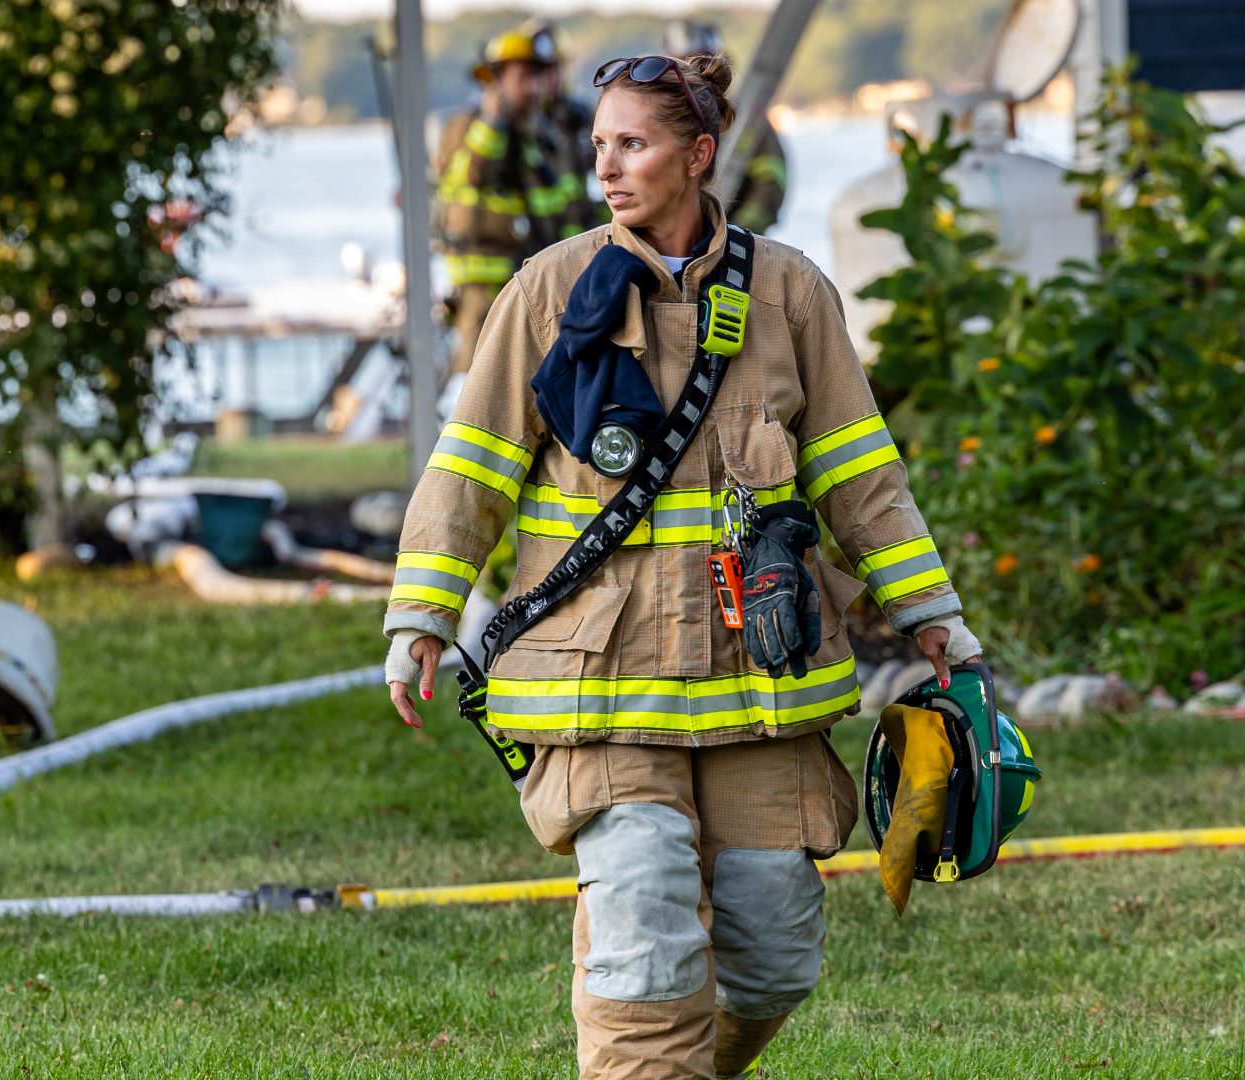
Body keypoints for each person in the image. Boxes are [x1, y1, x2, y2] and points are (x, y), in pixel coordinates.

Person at [387, 51, 982, 1080]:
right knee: (648, 956)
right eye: (600, 145)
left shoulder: (791, 294)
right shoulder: (548, 292)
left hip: (758, 679)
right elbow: (469, 467)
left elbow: (859, 474)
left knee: (773, 955)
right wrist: (420, 618)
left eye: (634, 144)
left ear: (698, 156)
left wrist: (930, 612)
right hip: (600, 684)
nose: (606, 169)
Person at [433, 26, 553, 378]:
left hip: (524, 275)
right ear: (496, 81)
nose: (532, 89)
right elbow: (473, 173)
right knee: (475, 376)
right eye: (522, 78)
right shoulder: (467, 128)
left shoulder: (532, 131)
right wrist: (494, 118)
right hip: (480, 281)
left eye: (536, 78)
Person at [665, 20, 788, 234]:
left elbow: (771, 181)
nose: (690, 76)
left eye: (699, 65)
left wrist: (738, 233)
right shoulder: (657, 119)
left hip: (732, 246)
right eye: (682, 65)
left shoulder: (744, 119)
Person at [525, 19, 602, 241]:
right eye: (538, 71)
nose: (548, 79)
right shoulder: (516, 126)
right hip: (535, 249)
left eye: (553, 69)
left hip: (585, 242)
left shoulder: (580, 117)